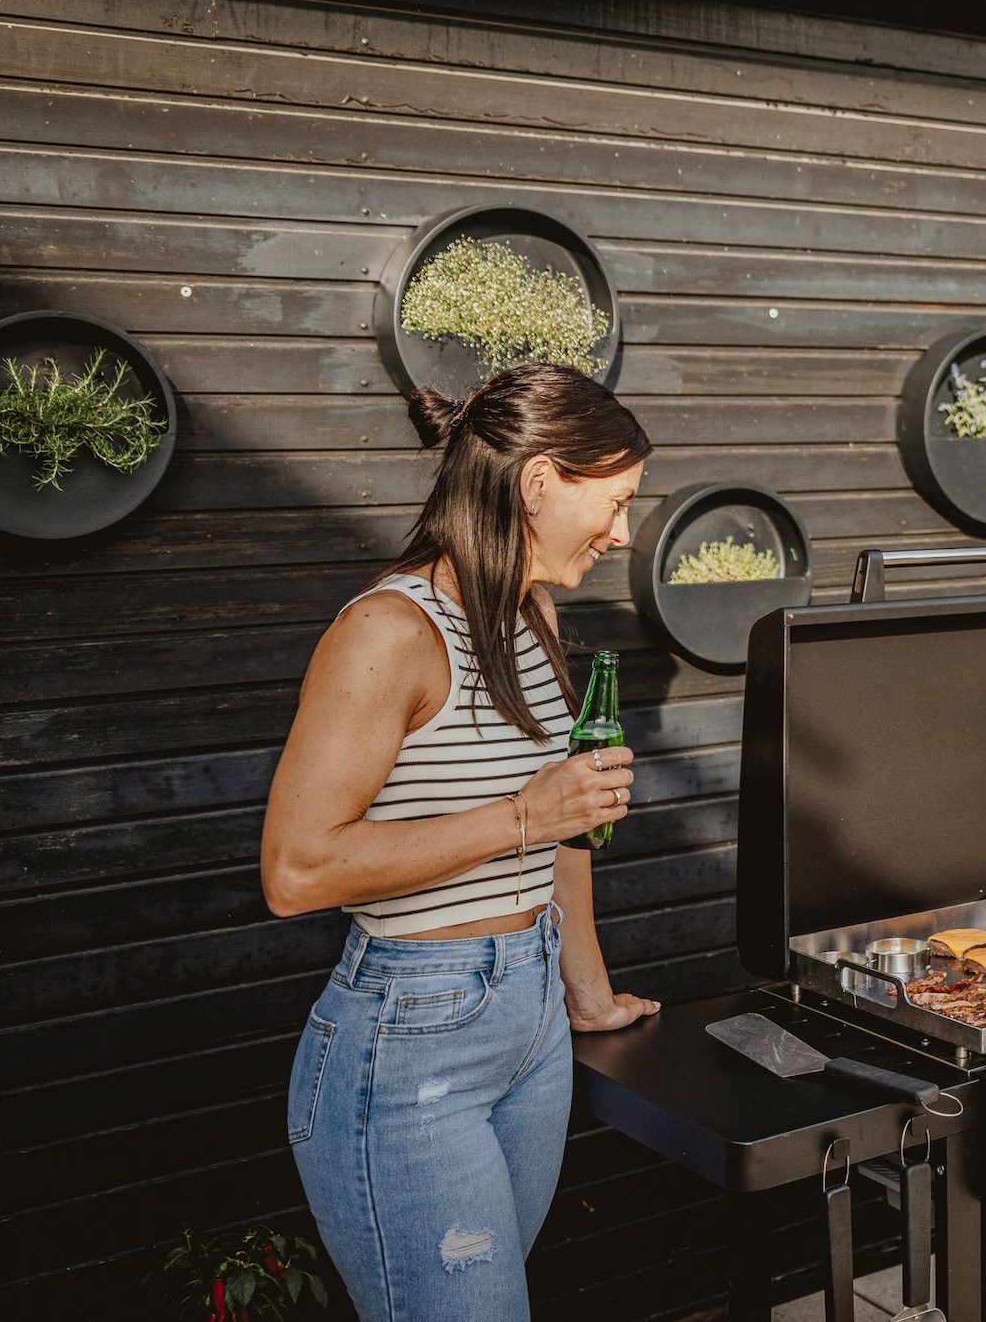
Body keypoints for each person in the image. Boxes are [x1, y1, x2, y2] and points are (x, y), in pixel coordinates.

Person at [260, 363, 663, 1322]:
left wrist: (585, 991)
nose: (621, 533)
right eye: (612, 503)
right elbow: (295, 869)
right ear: (536, 484)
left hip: (528, 1023)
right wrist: (522, 814)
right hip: (409, 1045)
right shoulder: (389, 631)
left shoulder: (534, 613)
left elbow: (563, 838)